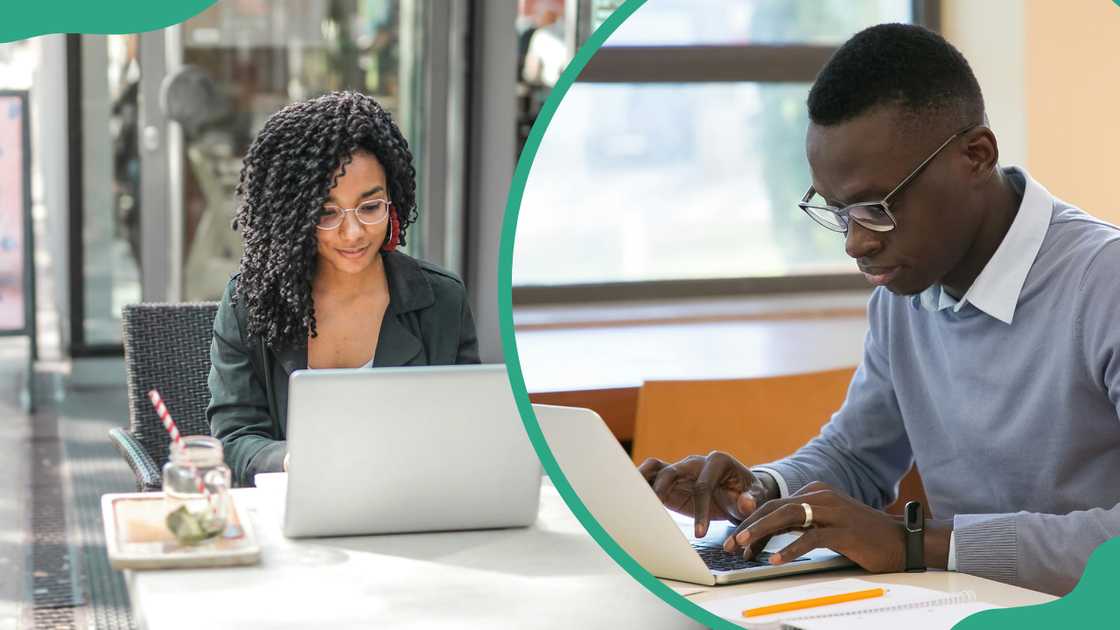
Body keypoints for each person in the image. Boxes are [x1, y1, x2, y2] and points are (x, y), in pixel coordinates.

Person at [639, 23, 1120, 596]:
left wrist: (916, 543)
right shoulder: (907, 291)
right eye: (838, 210)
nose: (856, 243)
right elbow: (856, 456)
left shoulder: (1104, 282)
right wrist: (763, 490)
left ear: (976, 155)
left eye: (878, 207)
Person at [207, 91, 480, 486]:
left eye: (370, 208)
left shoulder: (442, 300)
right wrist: (291, 460)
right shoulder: (249, 302)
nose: (352, 233)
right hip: (293, 511)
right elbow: (233, 440)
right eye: (326, 213)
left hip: (414, 507)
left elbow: (469, 432)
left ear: (394, 202)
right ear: (294, 217)